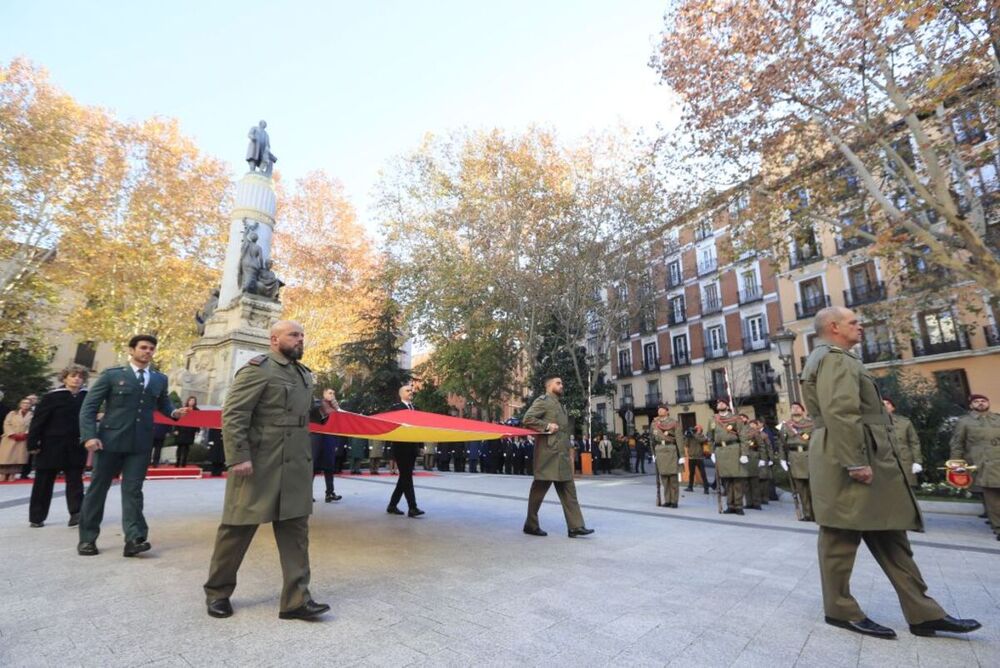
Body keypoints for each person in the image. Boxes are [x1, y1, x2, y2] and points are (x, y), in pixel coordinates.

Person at [802, 306, 980, 639]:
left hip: (864, 452)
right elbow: (841, 412)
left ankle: (923, 613)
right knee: (841, 535)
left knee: (890, 532)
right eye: (854, 322)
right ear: (834, 326)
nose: (861, 326)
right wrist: (855, 461)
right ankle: (840, 609)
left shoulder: (838, 357)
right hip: (850, 455)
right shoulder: (834, 359)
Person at [203, 320, 329, 621]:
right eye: (294, 335)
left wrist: (322, 409)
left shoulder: (303, 374)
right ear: (274, 339)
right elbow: (233, 414)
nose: (300, 339)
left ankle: (296, 600)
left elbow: (302, 413)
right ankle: (217, 593)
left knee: (296, 532)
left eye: (302, 334)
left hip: (296, 464)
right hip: (260, 462)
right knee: (237, 529)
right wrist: (238, 457)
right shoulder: (257, 369)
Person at [77, 335, 189, 557]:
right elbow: (89, 407)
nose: (147, 352)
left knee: (133, 491)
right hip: (109, 442)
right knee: (97, 490)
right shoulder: (113, 375)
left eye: (151, 349)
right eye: (143, 348)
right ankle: (87, 538)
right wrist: (89, 436)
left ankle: (134, 538)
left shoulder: (158, 379)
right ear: (132, 350)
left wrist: (174, 413)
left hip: (140, 443)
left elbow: (163, 402)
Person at [521, 376, 593, 538]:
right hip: (548, 455)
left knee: (569, 490)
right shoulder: (543, 401)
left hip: (561, 455)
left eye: (562, 382)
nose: (562, 385)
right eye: (558, 383)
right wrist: (546, 426)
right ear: (549, 386)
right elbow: (527, 419)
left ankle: (576, 526)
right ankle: (531, 524)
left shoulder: (560, 405)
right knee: (538, 492)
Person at [27, 365, 89, 527]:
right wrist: (33, 442)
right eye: (73, 376)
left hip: (76, 444)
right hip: (51, 444)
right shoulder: (52, 397)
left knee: (75, 480)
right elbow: (38, 421)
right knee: (44, 481)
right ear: (65, 378)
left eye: (80, 376)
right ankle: (37, 517)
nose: (77, 379)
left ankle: (76, 513)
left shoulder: (87, 397)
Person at [950, 393, 1000, 540]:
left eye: (983, 401)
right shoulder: (964, 422)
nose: (980, 403)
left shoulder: (998, 418)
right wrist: (956, 463)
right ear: (971, 405)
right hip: (983, 463)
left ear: (988, 403)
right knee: (992, 499)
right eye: (976, 401)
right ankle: (998, 528)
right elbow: (957, 444)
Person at [385, 385, 424, 517]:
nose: (411, 392)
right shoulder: (395, 408)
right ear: (401, 394)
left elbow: (419, 428)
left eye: (411, 390)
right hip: (400, 447)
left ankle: (392, 505)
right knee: (407, 477)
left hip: (412, 447)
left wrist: (421, 446)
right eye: (408, 390)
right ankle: (412, 507)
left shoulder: (417, 409)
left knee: (404, 477)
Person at [707, 399, 748, 515]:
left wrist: (744, 453)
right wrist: (712, 452)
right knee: (726, 480)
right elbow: (710, 437)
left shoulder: (735, 419)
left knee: (737, 480)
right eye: (718, 403)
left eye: (723, 403)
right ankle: (730, 505)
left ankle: (739, 506)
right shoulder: (712, 419)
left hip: (734, 449)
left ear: (727, 405)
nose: (720, 404)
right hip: (720, 450)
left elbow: (743, 436)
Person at [778, 402, 815, 521]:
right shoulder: (785, 426)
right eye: (793, 407)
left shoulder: (810, 424)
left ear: (802, 410)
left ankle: (817, 513)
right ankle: (807, 514)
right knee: (801, 489)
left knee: (813, 488)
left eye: (797, 407)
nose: (795, 409)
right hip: (794, 457)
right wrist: (783, 458)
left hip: (808, 456)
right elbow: (782, 444)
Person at [310, 388, 342, 503]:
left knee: (329, 467)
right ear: (324, 394)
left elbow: (337, 426)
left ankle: (330, 493)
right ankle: (307, 495)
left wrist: (336, 442)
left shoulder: (335, 407)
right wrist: (335, 408)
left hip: (329, 439)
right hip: (316, 438)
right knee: (313, 467)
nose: (332, 395)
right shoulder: (317, 404)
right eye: (330, 393)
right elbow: (322, 412)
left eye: (333, 393)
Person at [884, 398, 922, 488]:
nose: (885, 405)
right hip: (883, 462)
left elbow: (914, 443)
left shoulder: (904, 423)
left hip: (903, 462)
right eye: (882, 403)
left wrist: (917, 462)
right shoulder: (871, 422)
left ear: (893, 407)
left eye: (888, 403)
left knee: (904, 489)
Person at [650, 404, 684, 508]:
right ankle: (667, 500)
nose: (660, 411)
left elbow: (679, 439)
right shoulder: (654, 424)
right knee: (664, 478)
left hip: (671, 450)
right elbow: (652, 440)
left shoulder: (674, 423)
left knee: (673, 478)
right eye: (659, 409)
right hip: (660, 450)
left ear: (667, 411)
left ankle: (674, 501)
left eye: (662, 409)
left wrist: (681, 455)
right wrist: (653, 453)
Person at [0, 397, 33, 481]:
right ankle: (3, 474)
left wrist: (26, 434)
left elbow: (33, 426)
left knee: (17, 458)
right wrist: (11, 434)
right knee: (6, 457)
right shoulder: (12, 413)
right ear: (20, 404)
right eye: (24, 403)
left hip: (22, 438)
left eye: (28, 403)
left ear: (30, 405)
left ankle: (12, 474)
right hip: (10, 437)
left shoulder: (32, 415)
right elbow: (6, 423)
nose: (26, 404)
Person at [741, 418, 769, 510]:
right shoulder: (738, 431)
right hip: (742, 457)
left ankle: (756, 503)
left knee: (754, 481)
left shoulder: (754, 432)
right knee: (745, 482)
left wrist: (762, 459)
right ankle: (749, 502)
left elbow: (761, 445)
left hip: (753, 456)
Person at [173, 396, 200, 467]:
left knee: (186, 447)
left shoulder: (197, 410)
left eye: (193, 401)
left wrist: (197, 430)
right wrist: (176, 429)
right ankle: (177, 462)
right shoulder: (183, 409)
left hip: (190, 431)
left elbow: (199, 421)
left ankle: (183, 463)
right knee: (180, 447)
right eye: (190, 400)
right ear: (188, 401)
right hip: (181, 430)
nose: (192, 402)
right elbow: (177, 419)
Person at [684, 425, 710, 494]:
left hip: (699, 458)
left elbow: (701, 440)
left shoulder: (702, 436)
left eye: (696, 428)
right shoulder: (691, 436)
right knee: (691, 473)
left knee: (703, 474)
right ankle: (690, 487)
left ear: (700, 430)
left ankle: (706, 488)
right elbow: (686, 444)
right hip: (692, 457)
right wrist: (687, 436)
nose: (695, 429)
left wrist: (694, 435)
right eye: (694, 428)